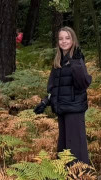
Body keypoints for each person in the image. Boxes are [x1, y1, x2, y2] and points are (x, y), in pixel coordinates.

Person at [34, 26, 91, 165]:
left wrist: (76, 64)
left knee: (76, 146)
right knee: (64, 146)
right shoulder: (58, 61)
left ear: (73, 40)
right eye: (61, 38)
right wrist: (45, 102)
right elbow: (54, 86)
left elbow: (83, 83)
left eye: (67, 38)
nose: (64, 41)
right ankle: (66, 179)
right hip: (62, 109)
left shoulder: (77, 59)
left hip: (74, 108)